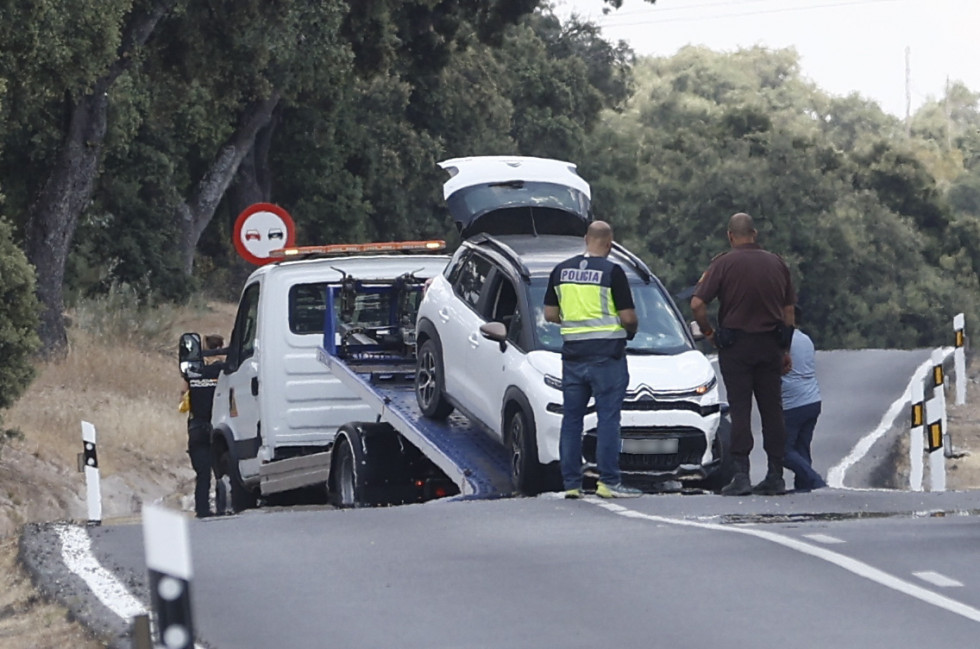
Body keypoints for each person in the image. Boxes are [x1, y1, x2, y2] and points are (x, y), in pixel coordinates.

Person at [690, 212, 796, 496]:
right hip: (770, 345)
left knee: (740, 409)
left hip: (736, 346)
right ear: (755, 233)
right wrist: (785, 349)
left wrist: (710, 333)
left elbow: (698, 303)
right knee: (773, 410)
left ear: (730, 236)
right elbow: (788, 312)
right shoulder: (777, 263)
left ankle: (741, 474)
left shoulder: (723, 264)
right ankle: (776, 474)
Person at [544, 220, 642, 499]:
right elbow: (628, 318)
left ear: (586, 239)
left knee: (572, 420)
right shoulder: (613, 271)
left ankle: (571, 484)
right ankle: (608, 483)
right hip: (607, 358)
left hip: (573, 357)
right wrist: (630, 331)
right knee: (608, 419)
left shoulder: (561, 270)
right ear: (609, 243)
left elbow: (550, 315)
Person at [180, 333, 225, 517]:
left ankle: (202, 510)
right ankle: (224, 506)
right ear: (222, 347)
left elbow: (182, 393)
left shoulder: (193, 372)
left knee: (203, 474)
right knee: (223, 471)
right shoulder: (223, 371)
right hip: (219, 428)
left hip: (197, 427)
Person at [782, 307, 827, 492]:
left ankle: (815, 481)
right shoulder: (806, 340)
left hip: (793, 402)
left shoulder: (784, 342)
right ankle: (804, 488)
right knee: (802, 447)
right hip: (812, 399)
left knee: (782, 451)